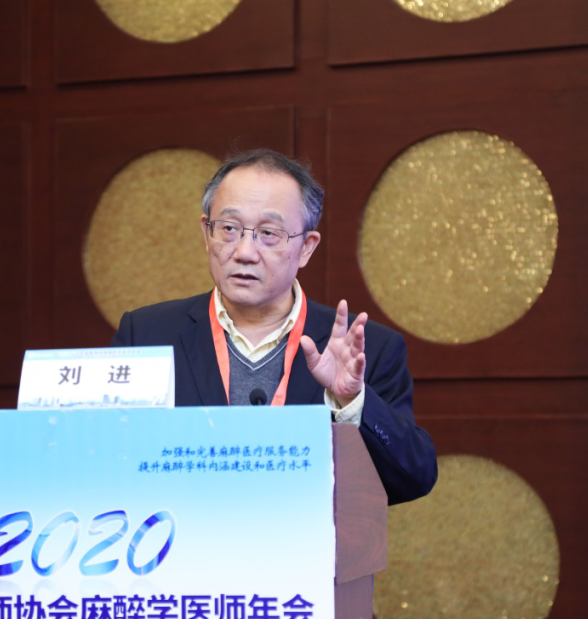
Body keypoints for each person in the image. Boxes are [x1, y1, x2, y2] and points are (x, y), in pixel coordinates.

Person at [111, 149, 436, 504]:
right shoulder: (147, 335)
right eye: (229, 229)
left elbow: (413, 478)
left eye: (268, 233)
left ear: (306, 247)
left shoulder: (367, 349)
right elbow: (104, 461)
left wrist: (351, 401)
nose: (245, 252)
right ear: (207, 234)